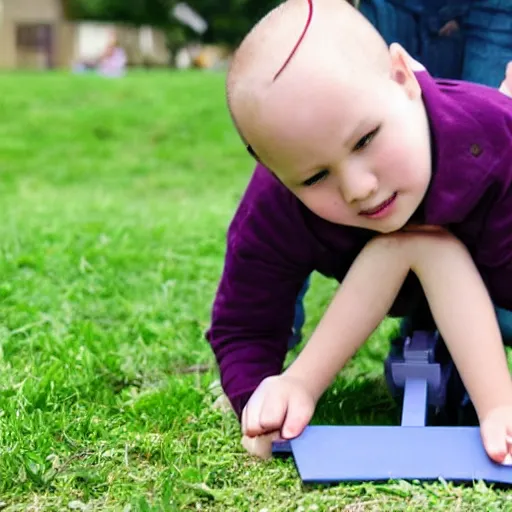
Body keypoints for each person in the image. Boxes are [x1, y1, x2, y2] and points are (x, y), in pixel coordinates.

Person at [206, 0, 512, 463]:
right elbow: (246, 317)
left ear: (404, 76)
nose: (358, 188)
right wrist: (258, 398)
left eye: (366, 140)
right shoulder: (276, 200)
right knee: (414, 241)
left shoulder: (492, 139)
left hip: (497, 270)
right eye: (314, 178)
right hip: (386, 268)